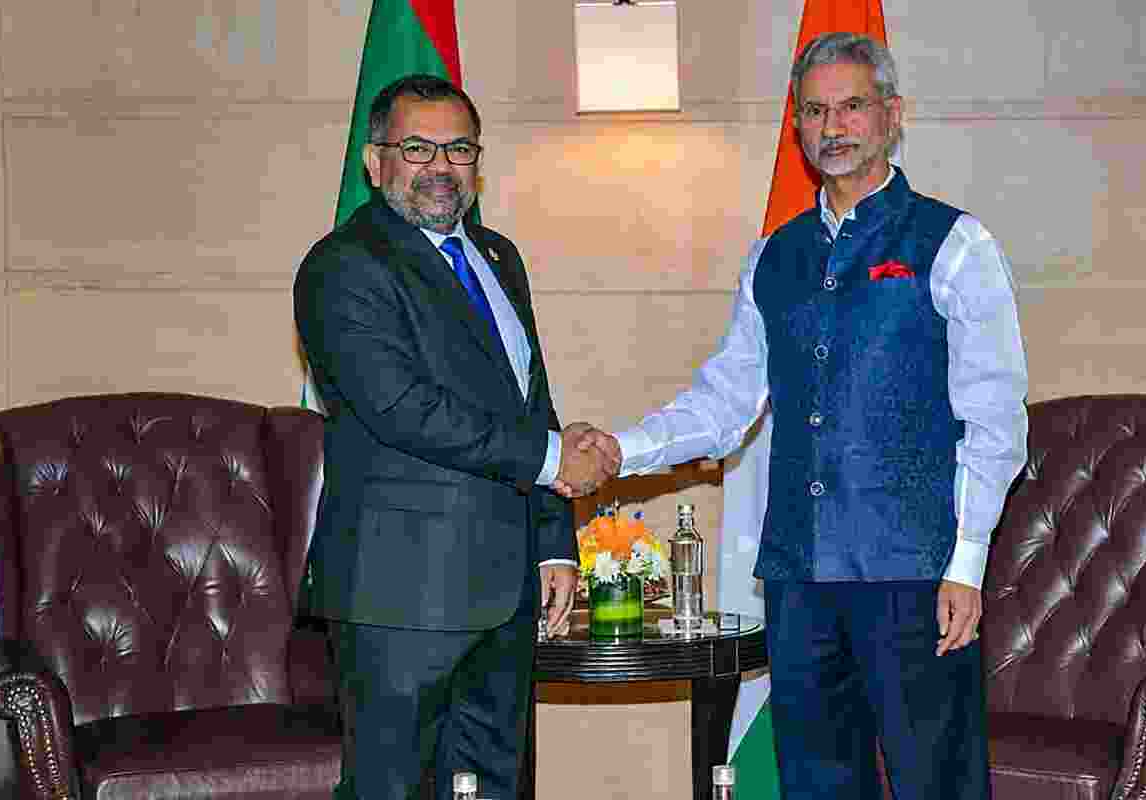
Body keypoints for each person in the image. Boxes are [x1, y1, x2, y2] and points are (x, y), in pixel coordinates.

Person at [563, 33, 1029, 800]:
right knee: (813, 786)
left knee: (936, 783)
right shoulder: (773, 257)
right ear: (797, 126)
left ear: (892, 116)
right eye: (814, 111)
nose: (832, 126)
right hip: (799, 579)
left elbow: (996, 421)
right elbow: (725, 400)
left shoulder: (955, 244)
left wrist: (967, 564)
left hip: (915, 575)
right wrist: (622, 448)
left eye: (851, 106)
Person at [294, 74, 616, 800]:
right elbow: (401, 406)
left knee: (494, 787)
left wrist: (553, 540)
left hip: (504, 593)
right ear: (374, 161)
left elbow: (530, 401)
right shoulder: (342, 266)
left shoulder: (499, 258)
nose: (440, 166)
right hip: (399, 597)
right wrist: (552, 460)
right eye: (418, 148)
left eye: (459, 148)